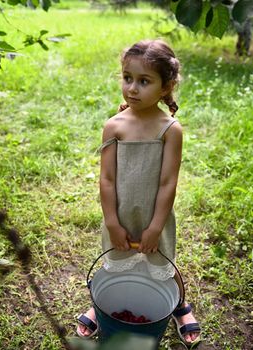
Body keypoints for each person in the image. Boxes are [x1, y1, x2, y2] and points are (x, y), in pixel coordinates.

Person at [76, 39, 201, 346]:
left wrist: (156, 225)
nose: (132, 88)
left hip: (153, 213)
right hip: (119, 213)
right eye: (127, 78)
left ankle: (180, 306)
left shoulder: (169, 129)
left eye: (144, 81)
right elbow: (106, 179)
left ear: (166, 86)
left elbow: (167, 182)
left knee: (163, 264)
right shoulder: (114, 126)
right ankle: (100, 303)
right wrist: (112, 223)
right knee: (114, 261)